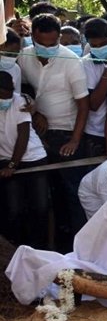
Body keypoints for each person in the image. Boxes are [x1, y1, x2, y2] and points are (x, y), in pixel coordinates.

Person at [18, 14, 90, 239]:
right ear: (32, 37)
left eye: (53, 44)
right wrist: (36, 112)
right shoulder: (23, 56)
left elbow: (84, 105)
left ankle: (79, 243)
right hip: (34, 133)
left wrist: (74, 141)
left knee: (73, 192)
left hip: (67, 133)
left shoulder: (71, 61)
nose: (48, 48)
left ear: (59, 37)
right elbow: (21, 90)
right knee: (42, 195)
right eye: (42, 44)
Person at [0, 70, 48, 249]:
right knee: (14, 210)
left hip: (32, 159)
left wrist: (13, 164)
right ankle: (16, 250)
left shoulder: (20, 101)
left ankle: (40, 249)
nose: (7, 100)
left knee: (40, 207)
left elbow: (23, 135)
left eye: (9, 96)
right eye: (2, 97)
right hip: (6, 161)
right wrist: (9, 164)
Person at [82, 18, 107, 158]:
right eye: (94, 45)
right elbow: (93, 104)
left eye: (103, 44)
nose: (99, 48)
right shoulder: (86, 64)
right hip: (96, 132)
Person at [0, 29, 22, 94]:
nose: (11, 58)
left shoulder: (15, 69)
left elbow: (16, 95)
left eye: (15, 55)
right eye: (8, 54)